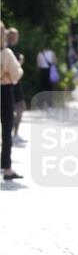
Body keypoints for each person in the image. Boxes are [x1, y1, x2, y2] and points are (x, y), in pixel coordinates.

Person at [1, 21, 24, 181]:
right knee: (6, 130)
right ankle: (7, 169)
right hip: (4, 91)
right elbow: (16, 74)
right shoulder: (7, 53)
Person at [6, 28, 27, 145]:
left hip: (15, 82)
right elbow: (13, 67)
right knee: (18, 108)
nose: (16, 38)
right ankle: (12, 134)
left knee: (19, 108)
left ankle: (13, 134)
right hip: (11, 82)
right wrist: (21, 62)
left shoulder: (11, 48)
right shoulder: (9, 50)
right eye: (14, 36)